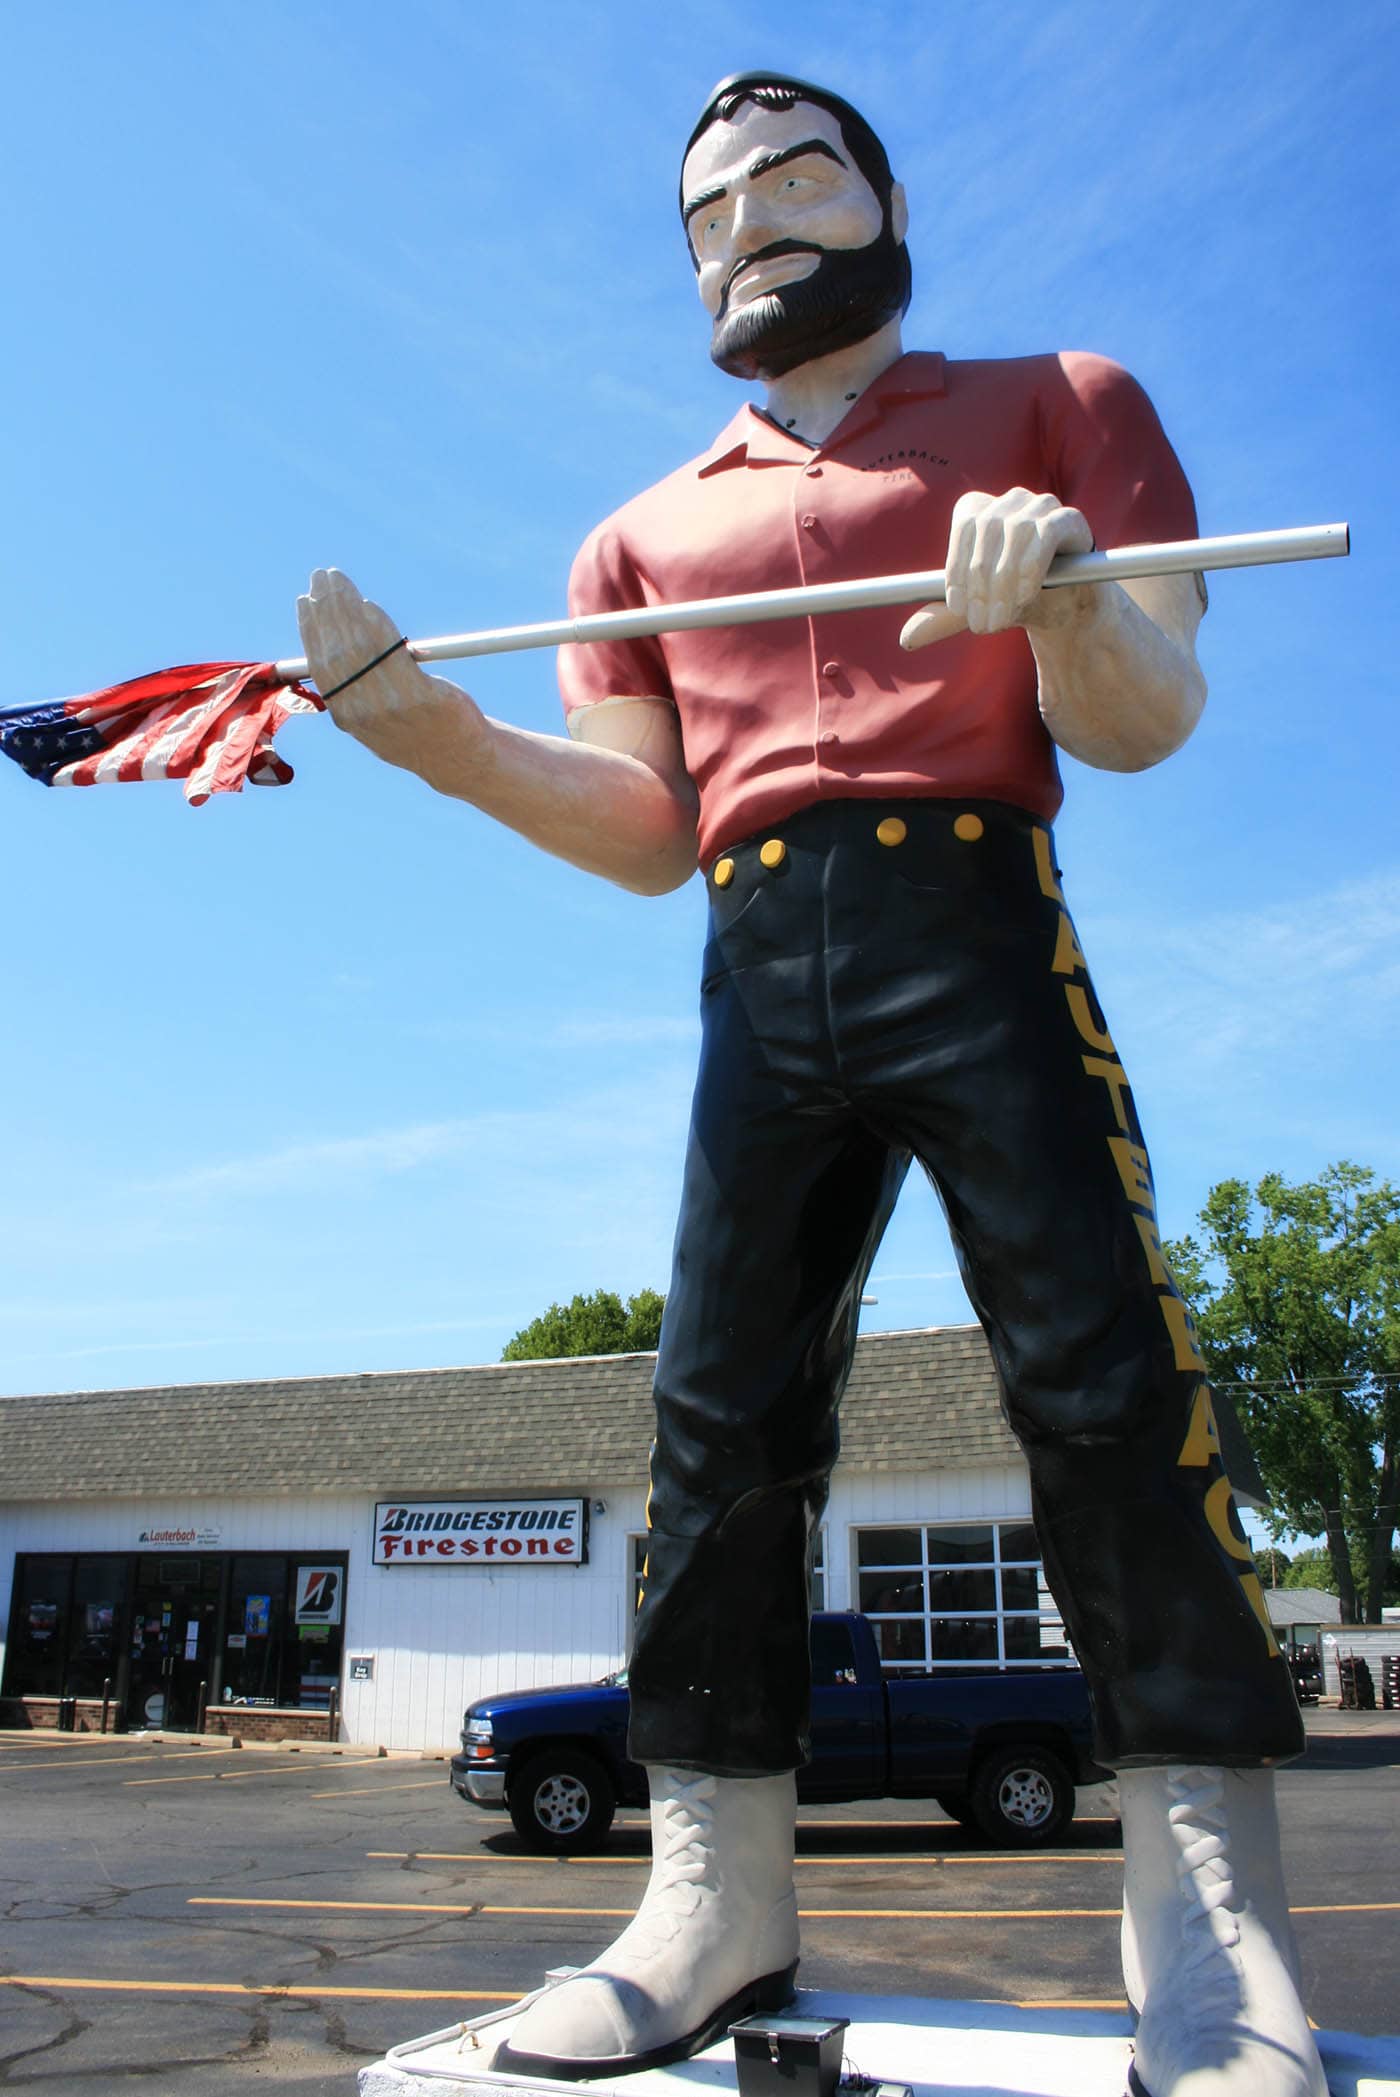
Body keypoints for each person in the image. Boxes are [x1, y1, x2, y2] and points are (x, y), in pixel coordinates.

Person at [296, 72, 1325, 2097]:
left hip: (972, 913)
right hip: (758, 960)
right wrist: (431, 736)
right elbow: (646, 825)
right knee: (715, 1407)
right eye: (708, 206)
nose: (748, 219)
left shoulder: (1062, 397)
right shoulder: (636, 527)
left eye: (793, 174)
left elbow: (1149, 718)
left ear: (879, 192)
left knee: (1105, 1373)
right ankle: (712, 1891)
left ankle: (1213, 1922)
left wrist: (1069, 603)